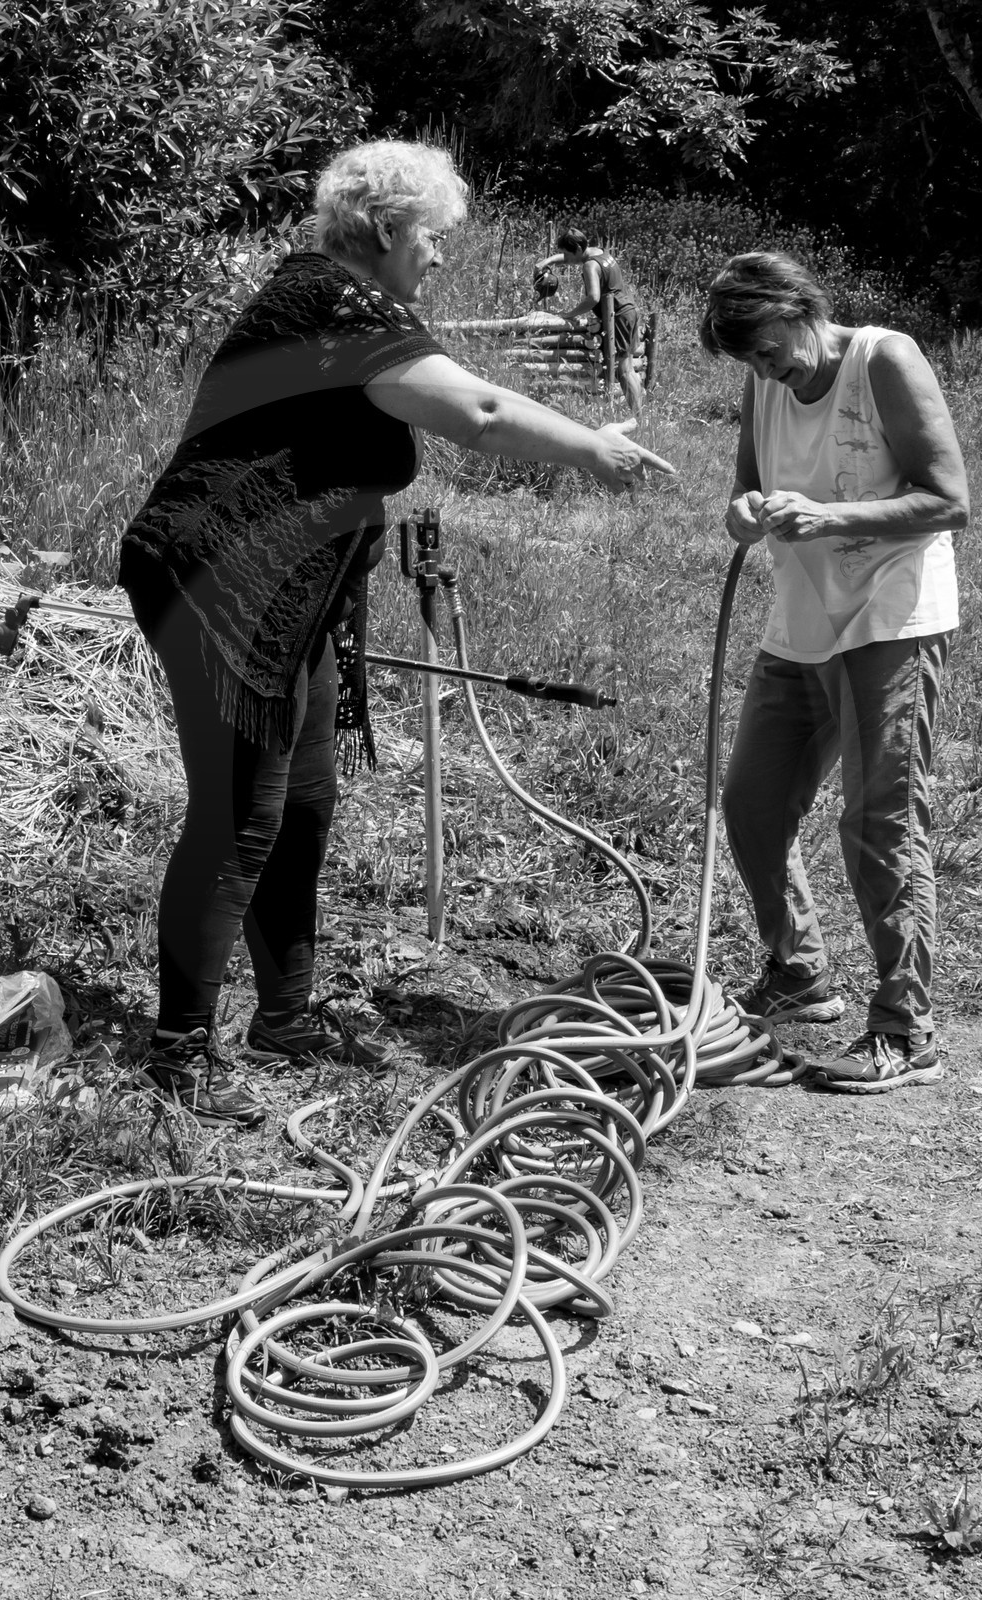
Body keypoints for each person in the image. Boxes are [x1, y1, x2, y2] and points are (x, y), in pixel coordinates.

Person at [118, 141, 673, 1126]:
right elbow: (480, 411)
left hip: (288, 594)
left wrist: (583, 434)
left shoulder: (346, 301)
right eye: (432, 236)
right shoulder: (332, 301)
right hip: (220, 582)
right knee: (240, 816)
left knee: (304, 800)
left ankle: (283, 1017)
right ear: (384, 230)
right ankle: (178, 1052)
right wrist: (592, 449)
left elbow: (456, 398)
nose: (441, 255)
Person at [699, 250, 969, 1093]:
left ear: (799, 309)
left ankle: (904, 1030)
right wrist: (745, 513)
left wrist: (831, 515)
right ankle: (799, 972)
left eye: (767, 348)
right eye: (748, 360)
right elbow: (746, 489)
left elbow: (949, 499)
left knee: (880, 823)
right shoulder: (765, 383)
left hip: (891, 618)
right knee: (752, 802)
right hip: (802, 619)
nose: (763, 369)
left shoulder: (883, 359)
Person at [535, 228, 644, 415]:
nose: (565, 259)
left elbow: (593, 297)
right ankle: (641, 415)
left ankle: (638, 417)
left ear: (578, 249)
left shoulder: (590, 266)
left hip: (618, 315)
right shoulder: (598, 252)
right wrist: (548, 261)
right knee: (628, 369)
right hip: (629, 310)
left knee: (624, 372)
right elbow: (573, 258)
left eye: (567, 254)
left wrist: (569, 314)